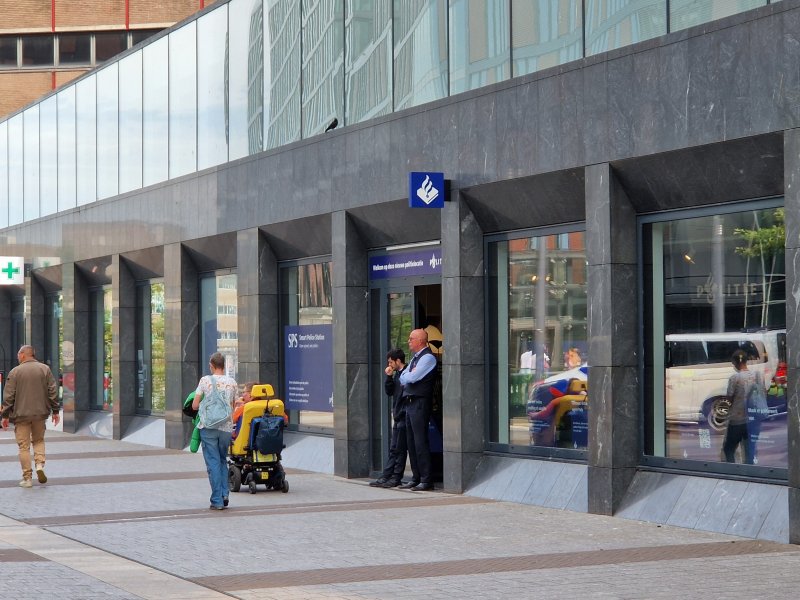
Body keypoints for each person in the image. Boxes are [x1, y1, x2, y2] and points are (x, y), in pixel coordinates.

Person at [1, 345, 61, 488]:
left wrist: (5, 415)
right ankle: (39, 464)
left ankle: (27, 478)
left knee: (24, 446)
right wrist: (56, 411)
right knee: (39, 440)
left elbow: (9, 396)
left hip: (21, 415)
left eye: (18, 354)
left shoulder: (15, 372)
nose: (17, 357)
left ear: (23, 354)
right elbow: (52, 390)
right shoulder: (45, 369)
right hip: (40, 414)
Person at [191, 352, 237, 509]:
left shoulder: (205, 381)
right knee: (222, 460)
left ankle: (217, 500)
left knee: (213, 463)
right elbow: (232, 406)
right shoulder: (232, 382)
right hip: (225, 428)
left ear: (211, 365)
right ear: (223, 365)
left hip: (209, 427)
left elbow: (195, 405)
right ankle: (225, 495)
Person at [398, 329, 437, 491]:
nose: (408, 341)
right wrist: (408, 375)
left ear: (420, 340)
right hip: (410, 402)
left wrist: (409, 375)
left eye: (411, 338)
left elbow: (412, 378)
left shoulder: (427, 357)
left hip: (420, 403)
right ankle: (416, 477)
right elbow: (402, 377)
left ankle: (426, 479)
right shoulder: (415, 358)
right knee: (411, 442)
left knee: (420, 441)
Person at [369, 349, 408, 488]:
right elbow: (389, 391)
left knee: (400, 449)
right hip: (398, 415)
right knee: (394, 449)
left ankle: (396, 477)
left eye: (391, 362)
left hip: (404, 416)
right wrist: (389, 377)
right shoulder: (397, 375)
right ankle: (386, 476)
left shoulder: (407, 374)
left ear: (398, 361)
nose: (389, 365)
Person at [723, 349, 756, 464]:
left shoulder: (734, 378)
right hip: (751, 420)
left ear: (736, 362)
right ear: (746, 361)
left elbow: (729, 400)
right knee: (748, 451)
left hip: (737, 421)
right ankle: (750, 472)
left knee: (728, 449)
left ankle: (732, 473)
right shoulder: (755, 376)